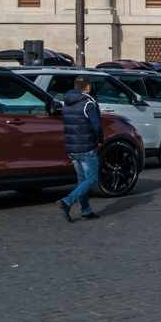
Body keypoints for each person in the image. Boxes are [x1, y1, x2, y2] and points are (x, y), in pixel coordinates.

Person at [57, 75, 102, 222]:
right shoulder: (88, 103)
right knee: (92, 179)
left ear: (75, 87)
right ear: (88, 87)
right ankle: (68, 201)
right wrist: (100, 139)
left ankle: (86, 211)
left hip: (72, 147)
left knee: (82, 180)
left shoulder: (67, 102)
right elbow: (96, 125)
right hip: (86, 147)